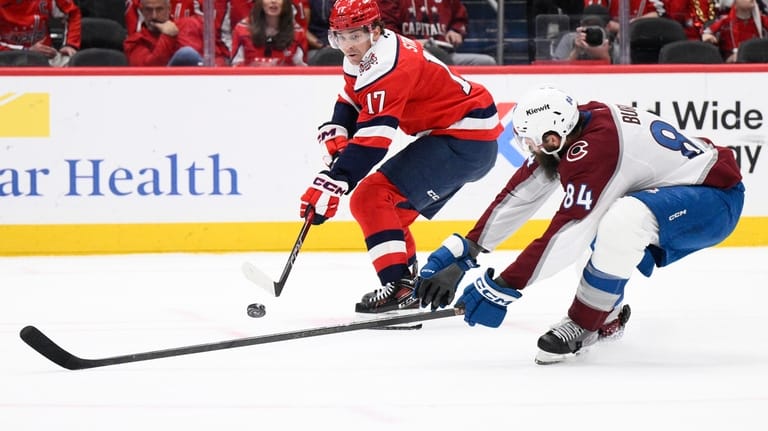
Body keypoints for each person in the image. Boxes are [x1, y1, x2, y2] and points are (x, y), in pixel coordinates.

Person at [415, 85, 744, 364]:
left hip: (713, 201)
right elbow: (523, 192)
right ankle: (607, 317)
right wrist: (467, 249)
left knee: (621, 220)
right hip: (686, 190)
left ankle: (584, 323)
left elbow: (566, 236)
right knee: (605, 228)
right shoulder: (578, 123)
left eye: (532, 142)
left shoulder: (595, 151)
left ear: (552, 137)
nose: (530, 149)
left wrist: (501, 287)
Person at [298, 0, 503, 313]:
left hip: (465, 137)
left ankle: (400, 290)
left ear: (375, 30)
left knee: (369, 198)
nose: (348, 45)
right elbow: (352, 96)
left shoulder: (388, 66)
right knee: (389, 214)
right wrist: (339, 127)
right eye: (340, 36)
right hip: (462, 134)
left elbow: (373, 141)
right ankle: (407, 285)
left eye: (355, 35)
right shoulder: (366, 53)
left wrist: (336, 180)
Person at [384, 0, 497, 65]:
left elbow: (460, 19)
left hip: (445, 53)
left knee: (487, 62)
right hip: (408, 56)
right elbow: (387, 31)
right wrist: (412, 43)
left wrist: (456, 31)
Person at [124, 0, 231, 66]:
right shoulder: (135, 42)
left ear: (169, 9)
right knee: (186, 54)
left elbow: (218, 58)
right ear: (142, 11)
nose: (154, 16)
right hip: (162, 89)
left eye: (159, 9)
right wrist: (167, 36)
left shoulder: (193, 25)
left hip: (203, 85)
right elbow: (150, 70)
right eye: (149, 10)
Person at [0, 0, 81, 67]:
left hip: (46, 54)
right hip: (7, 56)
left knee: (72, 65)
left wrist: (70, 44)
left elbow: (73, 12)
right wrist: (26, 50)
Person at [230, 0, 308, 66]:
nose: (273, 1)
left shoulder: (297, 33)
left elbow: (300, 70)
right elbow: (236, 67)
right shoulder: (242, 30)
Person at [701, 0, 768, 62]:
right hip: (730, 65)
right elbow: (706, 32)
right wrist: (707, 36)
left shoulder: (762, 20)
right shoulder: (724, 22)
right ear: (734, 2)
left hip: (758, 62)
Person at [551, 5, 617, 62]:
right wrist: (575, 52)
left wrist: (604, 56)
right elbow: (556, 70)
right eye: (587, 25)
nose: (592, 29)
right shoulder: (570, 39)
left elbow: (621, 71)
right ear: (581, 25)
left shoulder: (613, 43)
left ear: (607, 27)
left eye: (597, 25)